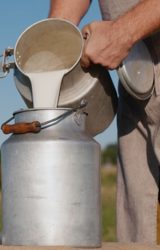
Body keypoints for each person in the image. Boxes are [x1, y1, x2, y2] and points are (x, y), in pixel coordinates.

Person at [49, 0, 160, 244]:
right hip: (135, 78)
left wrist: (123, 32)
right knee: (140, 230)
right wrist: (57, 36)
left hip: (131, 41)